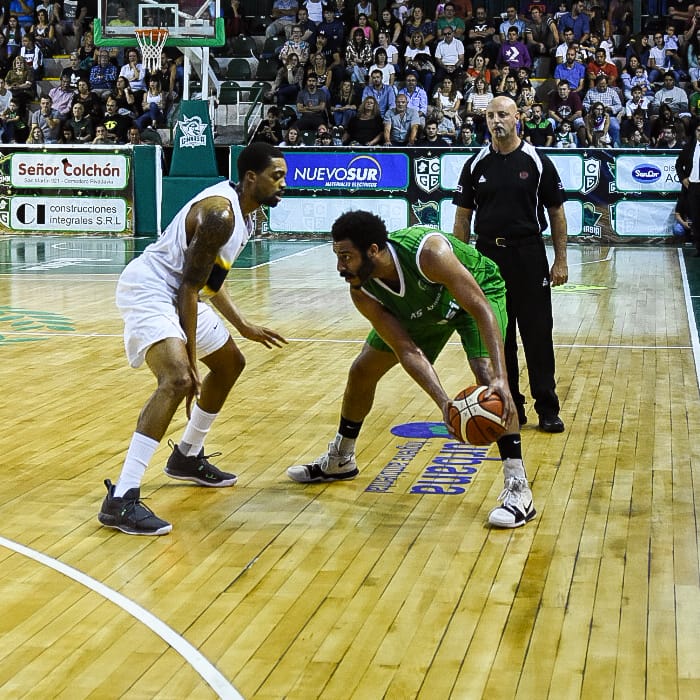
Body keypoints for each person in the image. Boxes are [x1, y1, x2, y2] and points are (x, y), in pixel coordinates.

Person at [286, 211, 537, 529]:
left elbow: (480, 307)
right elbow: (407, 350)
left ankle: (518, 489)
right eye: (337, 257)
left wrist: (501, 376)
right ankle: (340, 458)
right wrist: (444, 403)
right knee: (362, 370)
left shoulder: (429, 253)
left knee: (489, 379)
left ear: (373, 250)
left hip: (477, 294)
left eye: (346, 257)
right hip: (421, 311)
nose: (340, 267)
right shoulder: (362, 291)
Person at [98, 143, 288, 536]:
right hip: (152, 289)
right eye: (277, 176)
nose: (283, 183)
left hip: (182, 293)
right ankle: (122, 498)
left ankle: (186, 455)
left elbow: (208, 282)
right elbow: (188, 287)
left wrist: (243, 325)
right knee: (178, 380)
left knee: (231, 363)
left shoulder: (247, 217)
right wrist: (190, 358)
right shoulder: (221, 215)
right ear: (251, 178)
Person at [453, 96, 568, 432]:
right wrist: (460, 265)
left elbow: (556, 213)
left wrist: (561, 260)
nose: (496, 121)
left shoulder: (537, 161)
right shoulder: (476, 164)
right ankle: (511, 406)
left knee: (537, 335)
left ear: (517, 117)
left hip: (529, 255)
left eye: (502, 114)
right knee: (499, 337)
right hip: (488, 257)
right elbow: (462, 218)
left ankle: (547, 408)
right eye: (490, 116)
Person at [676, 124, 700, 256]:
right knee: (696, 218)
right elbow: (678, 164)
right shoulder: (689, 148)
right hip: (693, 186)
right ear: (695, 132)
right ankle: (699, 247)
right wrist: (683, 178)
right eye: (699, 130)